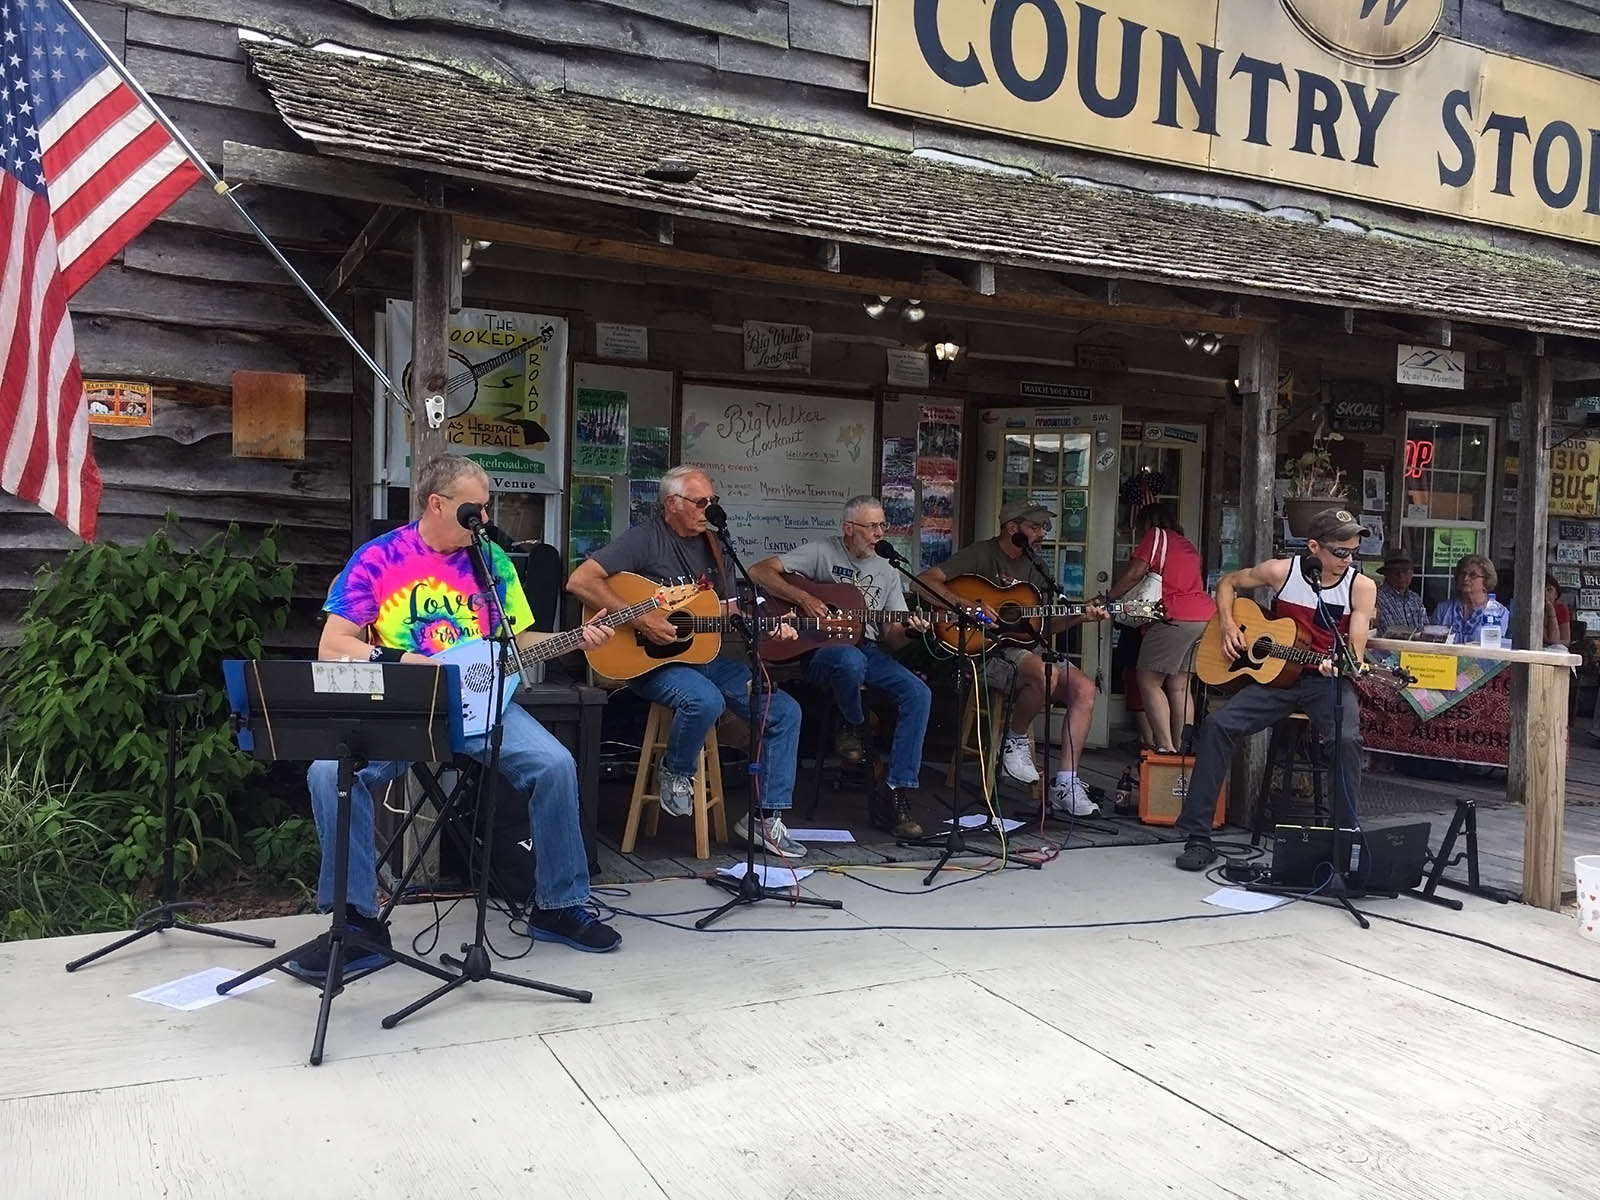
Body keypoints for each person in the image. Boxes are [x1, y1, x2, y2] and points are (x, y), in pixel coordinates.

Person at [304, 453, 621, 976]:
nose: (486, 518)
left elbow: (518, 640)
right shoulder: (379, 558)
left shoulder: (490, 560)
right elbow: (333, 644)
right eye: (476, 508)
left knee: (555, 763)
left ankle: (559, 905)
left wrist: (576, 642)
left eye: (487, 508)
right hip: (403, 707)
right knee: (328, 772)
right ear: (437, 503)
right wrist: (405, 660)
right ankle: (357, 921)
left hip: (481, 702)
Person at [566, 466, 809, 858]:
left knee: (784, 710)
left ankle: (765, 818)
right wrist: (640, 617)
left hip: (704, 659)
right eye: (700, 502)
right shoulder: (645, 540)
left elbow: (727, 610)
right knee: (706, 700)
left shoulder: (716, 545)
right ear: (671, 505)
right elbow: (581, 581)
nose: (708, 509)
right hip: (652, 664)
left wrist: (770, 624)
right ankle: (676, 771)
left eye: (712, 501)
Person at [1174, 508, 1377, 871]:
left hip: (1323, 679)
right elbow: (1228, 584)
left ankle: (1345, 838)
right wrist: (1228, 626)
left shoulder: (1360, 586)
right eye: (1341, 551)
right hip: (1276, 680)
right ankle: (1197, 836)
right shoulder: (1281, 571)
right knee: (1219, 724)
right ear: (1314, 547)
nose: (1349, 559)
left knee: (1346, 739)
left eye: (1354, 551)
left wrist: (1344, 662)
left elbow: (1356, 645)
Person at [749, 496, 933, 838]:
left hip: (869, 649)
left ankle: (895, 792)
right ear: (848, 528)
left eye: (882, 525)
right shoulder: (823, 552)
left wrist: (909, 629)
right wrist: (805, 599)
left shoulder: (889, 569)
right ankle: (852, 723)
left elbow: (893, 638)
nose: (879, 532)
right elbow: (758, 571)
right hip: (822, 651)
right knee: (849, 660)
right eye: (871, 526)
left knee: (918, 693)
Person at [917, 500, 1107, 816]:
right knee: (1046, 673)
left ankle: (1066, 782)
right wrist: (965, 605)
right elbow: (922, 582)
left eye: (1044, 526)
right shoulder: (981, 553)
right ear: (1012, 528)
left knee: (1085, 688)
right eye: (1035, 526)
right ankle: (1014, 740)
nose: (1042, 532)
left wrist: (1078, 616)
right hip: (984, 652)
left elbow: (1041, 626)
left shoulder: (1037, 566)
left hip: (1025, 649)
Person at [1105, 502, 1211, 755]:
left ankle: (1164, 747)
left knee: (1148, 680)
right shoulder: (1186, 544)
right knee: (1181, 686)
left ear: (1147, 523)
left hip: (1173, 615)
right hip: (1203, 616)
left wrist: (1109, 598)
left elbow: (1135, 573)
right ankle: (1182, 749)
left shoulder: (1156, 536)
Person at [1430, 554, 1508, 645]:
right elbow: (1431, 643)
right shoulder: (1443, 609)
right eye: (1462, 574)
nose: (1465, 578)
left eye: (1473, 575)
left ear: (1486, 581)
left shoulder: (1499, 613)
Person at [1374, 550, 1428, 634]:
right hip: (1388, 646)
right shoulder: (1377, 598)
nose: (1401, 576)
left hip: (1418, 646)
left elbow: (1425, 629)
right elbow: (1388, 632)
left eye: (1405, 572)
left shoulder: (1415, 599)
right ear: (1386, 574)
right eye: (1396, 573)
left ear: (1412, 573)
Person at [1545, 573, 1571, 648]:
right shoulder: (1532, 609)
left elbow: (1566, 641)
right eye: (1541, 589)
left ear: (1556, 594)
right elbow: (1549, 639)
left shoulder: (1561, 609)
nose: (1545, 593)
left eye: (1549, 590)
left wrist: (1551, 610)